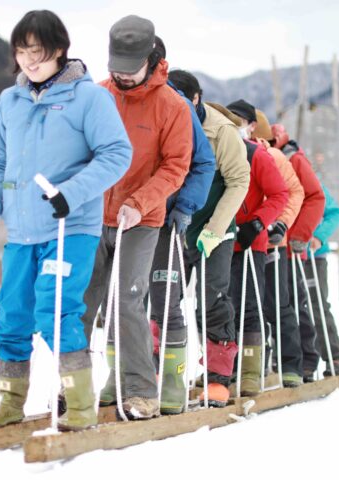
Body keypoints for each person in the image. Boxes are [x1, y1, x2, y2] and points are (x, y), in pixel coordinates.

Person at [0, 10, 132, 431]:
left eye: (38, 51)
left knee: (56, 312)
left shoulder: (89, 98)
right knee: (11, 315)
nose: (29, 60)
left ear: (60, 50)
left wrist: (72, 193)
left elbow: (117, 154)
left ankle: (79, 405)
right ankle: (10, 401)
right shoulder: (10, 100)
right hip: (22, 231)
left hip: (70, 227)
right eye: (22, 51)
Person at [80, 15, 192, 420]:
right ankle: (72, 388)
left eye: (130, 70)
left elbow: (176, 166)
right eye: (116, 70)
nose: (122, 78)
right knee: (81, 299)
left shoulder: (172, 107)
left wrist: (140, 202)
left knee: (127, 302)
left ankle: (141, 390)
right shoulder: (96, 96)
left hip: (141, 220)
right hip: (93, 215)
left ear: (151, 58)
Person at [168, 70, 251, 407]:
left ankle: (218, 378)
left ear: (196, 99)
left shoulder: (222, 131)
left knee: (212, 299)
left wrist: (215, 229)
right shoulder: (165, 120)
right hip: (172, 225)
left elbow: (238, 181)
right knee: (162, 299)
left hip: (213, 227)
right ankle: (163, 372)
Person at [146, 38, 216, 415]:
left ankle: (171, 380)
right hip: (121, 216)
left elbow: (205, 165)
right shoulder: (108, 96)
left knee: (165, 299)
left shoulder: (177, 106)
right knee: (119, 303)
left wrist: (185, 208)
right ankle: (130, 378)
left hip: (168, 218)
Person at [226, 99, 288, 396]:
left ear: (251, 126)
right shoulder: (219, 150)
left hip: (251, 241)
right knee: (220, 306)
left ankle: (250, 370)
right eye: (230, 119)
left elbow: (280, 194)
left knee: (249, 306)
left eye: (239, 121)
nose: (234, 125)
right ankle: (224, 366)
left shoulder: (258, 156)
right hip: (220, 239)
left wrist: (259, 223)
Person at [252, 110, 306, 388]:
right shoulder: (234, 152)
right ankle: (256, 362)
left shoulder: (275, 157)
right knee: (250, 305)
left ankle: (290, 365)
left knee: (277, 304)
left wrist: (281, 223)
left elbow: (295, 192)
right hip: (248, 240)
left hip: (273, 240)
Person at [271, 123, 326, 382]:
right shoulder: (265, 155)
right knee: (280, 303)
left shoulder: (294, 159)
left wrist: (300, 235)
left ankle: (307, 359)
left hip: (292, 244)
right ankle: (282, 358)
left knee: (296, 301)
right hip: (273, 242)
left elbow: (315, 197)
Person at [307, 183, 339, 376]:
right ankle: (302, 360)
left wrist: (318, 237)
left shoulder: (313, 183)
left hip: (314, 256)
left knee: (317, 306)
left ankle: (334, 357)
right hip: (287, 255)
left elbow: (334, 213)